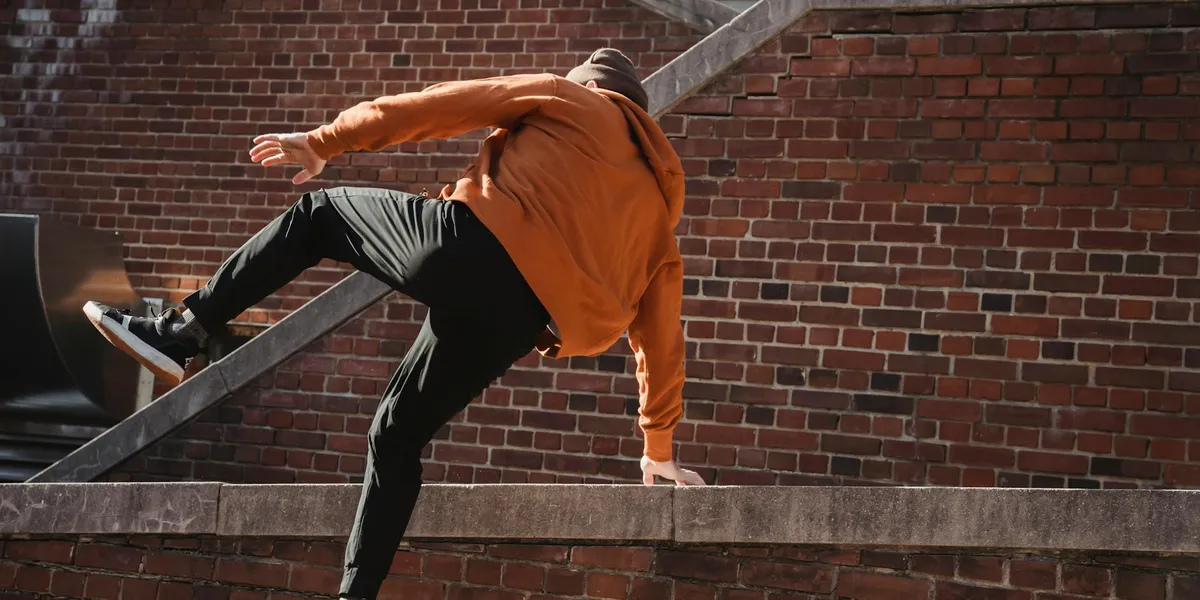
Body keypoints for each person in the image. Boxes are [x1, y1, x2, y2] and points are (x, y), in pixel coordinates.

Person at [83, 48, 706, 599]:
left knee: (322, 213)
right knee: (398, 433)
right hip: (522, 321)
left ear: (591, 84)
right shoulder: (657, 213)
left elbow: (441, 106)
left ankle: (180, 331)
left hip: (470, 245)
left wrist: (326, 140)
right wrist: (658, 448)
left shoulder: (568, 97)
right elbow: (660, 339)